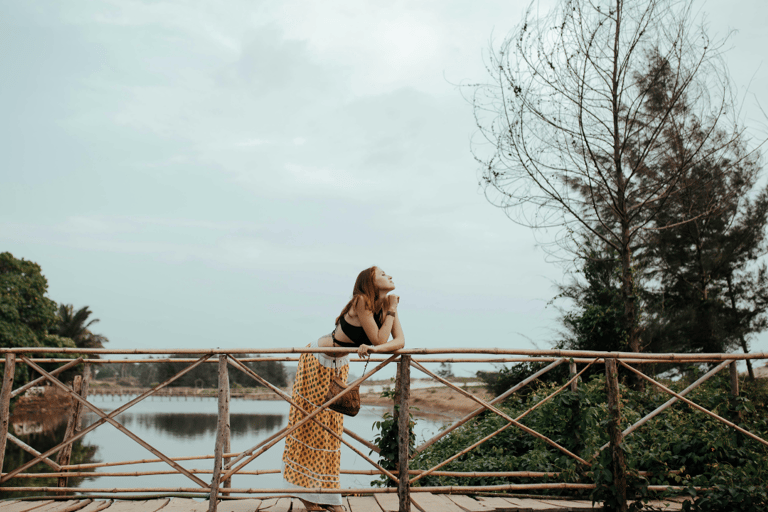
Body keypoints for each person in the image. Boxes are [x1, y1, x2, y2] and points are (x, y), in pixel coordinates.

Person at [281, 266, 405, 512]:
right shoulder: (362, 301)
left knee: (332, 431)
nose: (390, 276)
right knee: (310, 426)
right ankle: (305, 495)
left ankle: (329, 498)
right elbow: (381, 339)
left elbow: (399, 342)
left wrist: (374, 346)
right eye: (382, 274)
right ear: (369, 282)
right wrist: (389, 315)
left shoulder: (386, 306)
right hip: (317, 359)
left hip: (340, 364)